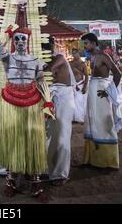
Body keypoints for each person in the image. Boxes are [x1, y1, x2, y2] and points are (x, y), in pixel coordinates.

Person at [0, 26, 53, 196]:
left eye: (23, 39)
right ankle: (11, 179)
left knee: (33, 138)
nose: (20, 42)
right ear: (13, 42)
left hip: (33, 102)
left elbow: (41, 81)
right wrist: (8, 34)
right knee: (12, 137)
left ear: (28, 42)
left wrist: (48, 102)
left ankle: (35, 180)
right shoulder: (8, 59)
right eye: (17, 39)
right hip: (10, 101)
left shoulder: (36, 60)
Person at [81, 33, 122, 169]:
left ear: (93, 43)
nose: (84, 46)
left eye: (86, 43)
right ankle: (93, 160)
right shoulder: (91, 56)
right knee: (92, 121)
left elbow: (117, 73)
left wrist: (109, 91)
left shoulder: (104, 56)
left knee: (104, 122)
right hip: (93, 92)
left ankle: (108, 161)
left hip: (101, 93)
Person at [46, 42, 76, 185]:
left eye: (48, 47)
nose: (46, 50)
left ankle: (60, 174)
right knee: (49, 134)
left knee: (62, 134)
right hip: (50, 98)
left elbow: (49, 71)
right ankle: (47, 168)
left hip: (63, 98)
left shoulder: (60, 58)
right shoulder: (43, 60)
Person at [70, 48, 88, 123]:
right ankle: (74, 118)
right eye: (73, 53)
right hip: (72, 85)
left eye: (75, 53)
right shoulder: (70, 63)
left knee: (80, 103)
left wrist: (85, 86)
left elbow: (86, 76)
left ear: (78, 53)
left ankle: (80, 119)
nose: (74, 55)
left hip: (80, 85)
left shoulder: (83, 64)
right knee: (73, 103)